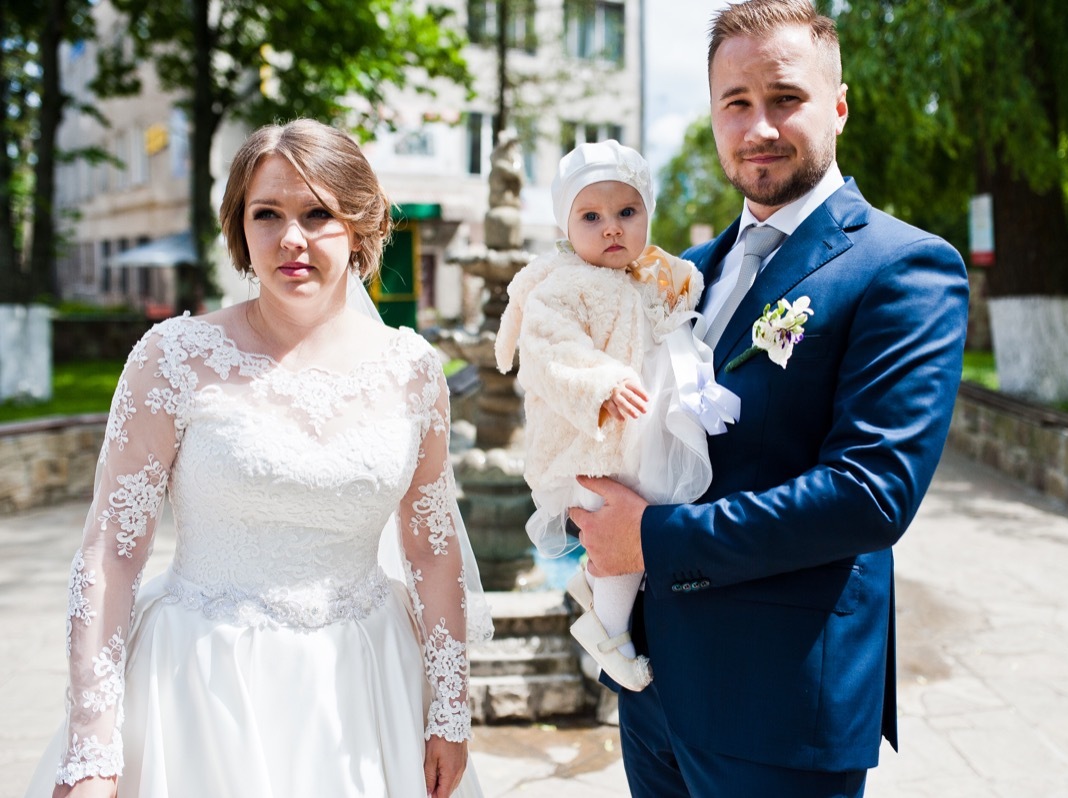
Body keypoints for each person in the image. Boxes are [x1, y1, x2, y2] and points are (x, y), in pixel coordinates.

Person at [569, 1, 970, 796]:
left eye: (784, 98)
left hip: (779, 709)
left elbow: (869, 494)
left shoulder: (905, 268)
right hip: (656, 694)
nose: (759, 127)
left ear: (839, 105)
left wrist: (652, 538)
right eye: (736, 103)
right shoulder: (680, 272)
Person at [24, 119, 492, 798]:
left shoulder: (414, 372)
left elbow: (432, 551)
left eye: (317, 214)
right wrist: (94, 740)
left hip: (364, 690)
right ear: (240, 228)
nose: (291, 238)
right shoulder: (173, 358)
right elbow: (111, 555)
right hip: (198, 686)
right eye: (266, 214)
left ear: (360, 228)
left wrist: (449, 709)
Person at [494, 140, 738, 692]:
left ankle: (594, 593)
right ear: (566, 225)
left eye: (627, 213)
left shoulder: (642, 275)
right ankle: (610, 637)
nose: (612, 228)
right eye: (591, 216)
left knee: (633, 526)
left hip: (629, 439)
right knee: (624, 534)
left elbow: (668, 318)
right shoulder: (564, 284)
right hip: (590, 443)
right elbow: (549, 349)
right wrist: (600, 384)